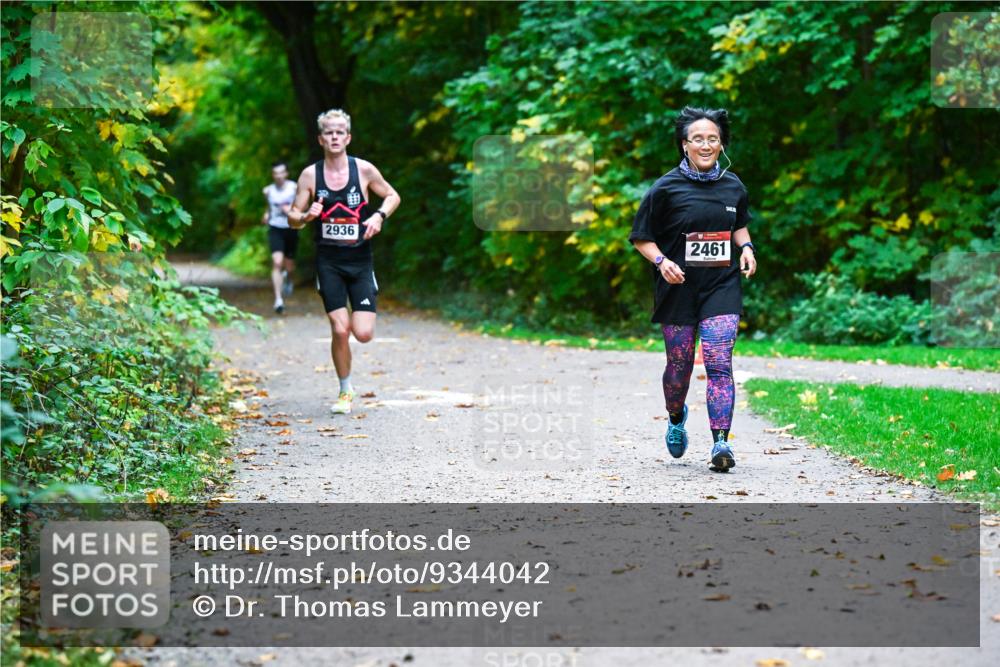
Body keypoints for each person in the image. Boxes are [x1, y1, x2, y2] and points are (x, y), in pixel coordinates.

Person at [628, 106, 757, 472]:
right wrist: (661, 262)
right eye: (697, 139)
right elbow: (641, 237)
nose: (705, 144)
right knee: (679, 367)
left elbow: (739, 226)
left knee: (719, 362)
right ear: (685, 145)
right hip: (678, 286)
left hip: (721, 285)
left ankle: (721, 444)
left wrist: (746, 248)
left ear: (721, 144)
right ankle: (675, 415)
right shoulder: (665, 188)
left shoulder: (734, 186)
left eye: (712, 138)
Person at [287, 109, 401, 415]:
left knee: (362, 333)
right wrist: (305, 216)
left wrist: (378, 215)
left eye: (340, 132)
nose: (334, 137)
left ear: (348, 137)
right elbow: (292, 218)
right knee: (340, 330)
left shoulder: (363, 170)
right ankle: (345, 390)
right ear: (320, 138)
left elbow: (392, 195)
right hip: (329, 262)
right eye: (329, 132)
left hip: (361, 261)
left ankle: (348, 375)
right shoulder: (310, 175)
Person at [262, 161, 299, 314]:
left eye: (281, 172)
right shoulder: (268, 191)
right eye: (275, 173)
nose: (278, 176)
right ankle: (278, 300)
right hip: (275, 228)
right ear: (273, 175)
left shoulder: (294, 188)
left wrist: (289, 210)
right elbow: (269, 207)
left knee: (289, 266)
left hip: (291, 228)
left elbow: (301, 208)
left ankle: (289, 279)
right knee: (277, 262)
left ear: (286, 173)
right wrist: (266, 214)